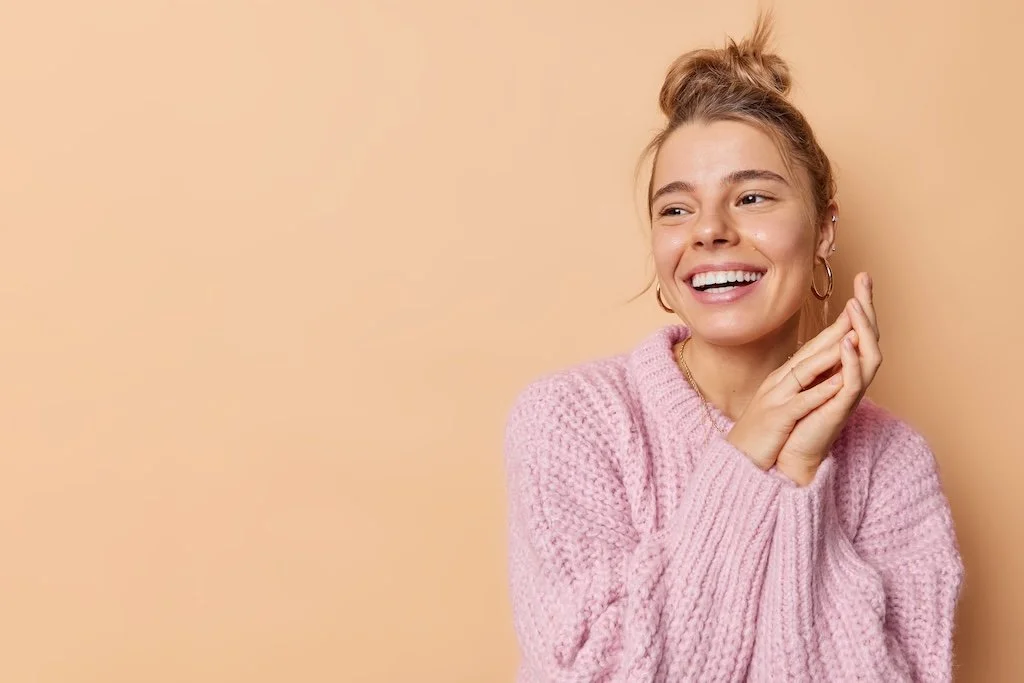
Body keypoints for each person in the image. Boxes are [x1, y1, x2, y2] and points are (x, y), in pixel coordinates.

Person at [502, 14, 963, 683]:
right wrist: (749, 458)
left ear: (824, 229)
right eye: (676, 208)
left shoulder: (892, 462)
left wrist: (800, 473)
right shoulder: (570, 422)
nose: (710, 230)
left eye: (751, 197)